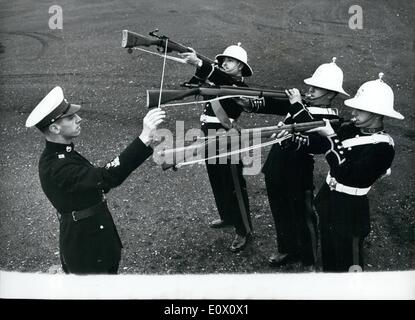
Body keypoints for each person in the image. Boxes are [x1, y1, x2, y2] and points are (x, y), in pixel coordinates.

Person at [25, 86, 165, 274]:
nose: (78, 119)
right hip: (86, 249)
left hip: (96, 239)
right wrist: (142, 138)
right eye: (70, 117)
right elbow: (105, 178)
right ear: (55, 128)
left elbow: (93, 186)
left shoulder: (62, 153)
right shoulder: (57, 167)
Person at [279, 72, 404, 272]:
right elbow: (320, 145)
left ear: (377, 113)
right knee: (329, 258)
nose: (353, 112)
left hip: (351, 209)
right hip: (328, 200)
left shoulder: (383, 148)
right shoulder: (351, 128)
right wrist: (294, 139)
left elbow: (347, 173)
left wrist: (330, 138)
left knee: (349, 265)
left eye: (360, 110)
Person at [261, 58, 349, 270]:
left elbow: (316, 142)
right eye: (310, 87)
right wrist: (251, 103)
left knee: (303, 215)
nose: (309, 91)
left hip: (298, 170)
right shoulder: (303, 105)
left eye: (315, 89)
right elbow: (273, 104)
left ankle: (309, 258)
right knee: (279, 209)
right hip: (277, 162)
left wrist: (298, 104)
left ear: (330, 94)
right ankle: (287, 248)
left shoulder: (332, 118)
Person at [179, 43, 255, 252]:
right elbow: (192, 84)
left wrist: (201, 63)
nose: (223, 63)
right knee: (217, 180)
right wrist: (197, 65)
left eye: (229, 61)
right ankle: (227, 217)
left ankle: (244, 230)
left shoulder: (239, 87)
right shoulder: (218, 79)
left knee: (233, 186)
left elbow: (222, 80)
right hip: (208, 137)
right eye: (222, 61)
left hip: (227, 139)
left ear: (240, 67)